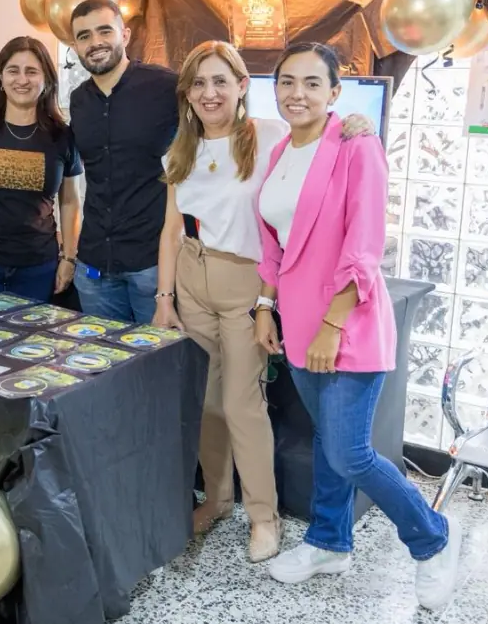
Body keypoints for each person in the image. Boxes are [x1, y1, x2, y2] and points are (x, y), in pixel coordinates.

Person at [253, 42, 461, 610]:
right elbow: (273, 246)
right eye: (287, 82)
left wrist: (330, 326)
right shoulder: (278, 154)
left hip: (346, 325)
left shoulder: (355, 144)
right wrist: (264, 308)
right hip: (294, 323)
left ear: (335, 92)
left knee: (349, 453)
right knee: (328, 441)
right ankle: (328, 541)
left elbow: (364, 246)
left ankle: (432, 539)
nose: (298, 93)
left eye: (312, 83)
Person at [153, 40, 373, 563]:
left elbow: (325, 138)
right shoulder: (180, 149)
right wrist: (165, 298)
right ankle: (219, 500)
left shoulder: (270, 135)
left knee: (241, 404)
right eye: (199, 83)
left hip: (246, 282)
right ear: (187, 93)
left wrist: (355, 124)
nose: (210, 93)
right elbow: (169, 229)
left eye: (220, 81)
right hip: (192, 273)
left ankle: (263, 517)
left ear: (241, 86)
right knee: (206, 401)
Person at [0, 36, 82, 303]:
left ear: (46, 80)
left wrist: (69, 257)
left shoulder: (62, 136)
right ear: (0, 77)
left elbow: (70, 201)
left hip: (39, 267)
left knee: (32, 344)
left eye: (32, 71)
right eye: (13, 70)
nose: (22, 80)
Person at [67, 0, 177, 322]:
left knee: (157, 367)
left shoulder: (165, 87)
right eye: (84, 36)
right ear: (74, 45)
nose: (95, 42)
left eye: (105, 31)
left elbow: (220, 114)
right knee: (102, 368)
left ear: (125, 35)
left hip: (152, 265)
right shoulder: (79, 101)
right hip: (94, 267)